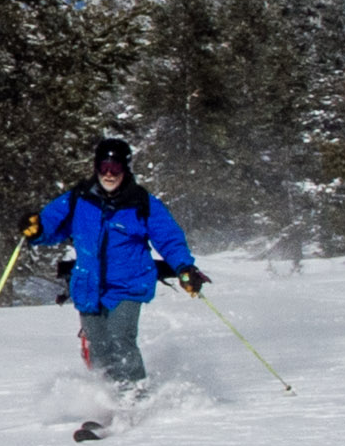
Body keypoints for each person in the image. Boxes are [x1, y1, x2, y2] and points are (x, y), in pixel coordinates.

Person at [23, 137, 208, 390]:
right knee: (99, 347)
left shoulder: (141, 202)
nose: (109, 174)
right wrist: (35, 230)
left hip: (129, 284)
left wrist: (184, 267)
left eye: (115, 167)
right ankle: (109, 396)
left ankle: (134, 395)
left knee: (120, 338)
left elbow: (169, 239)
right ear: (96, 167)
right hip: (89, 286)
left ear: (125, 168)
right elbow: (51, 226)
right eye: (104, 167)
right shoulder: (78, 198)